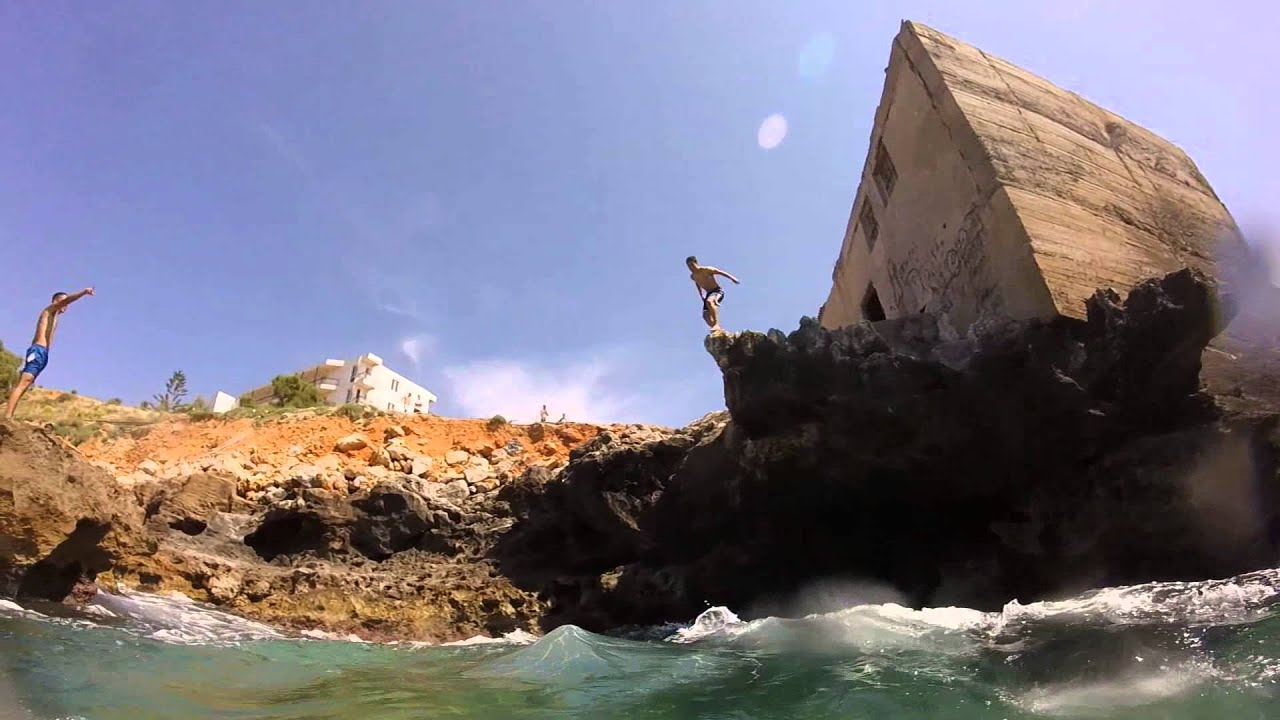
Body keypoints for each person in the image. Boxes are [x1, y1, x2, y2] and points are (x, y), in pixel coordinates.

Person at [5, 288, 94, 420]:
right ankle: (7, 417)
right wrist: (83, 292)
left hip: (44, 354)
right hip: (37, 350)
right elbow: (68, 299)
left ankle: (9, 415)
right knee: (24, 382)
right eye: (64, 302)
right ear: (55, 301)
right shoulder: (48, 311)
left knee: (27, 384)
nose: (66, 305)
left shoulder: (55, 317)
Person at [686, 256, 739, 331]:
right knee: (705, 316)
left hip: (717, 291)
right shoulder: (693, 276)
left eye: (692, 265)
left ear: (696, 263)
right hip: (708, 294)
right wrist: (701, 294)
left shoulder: (707, 269)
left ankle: (717, 324)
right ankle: (717, 329)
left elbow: (720, 272)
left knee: (710, 302)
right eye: (689, 266)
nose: (691, 268)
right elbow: (697, 284)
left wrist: (733, 278)